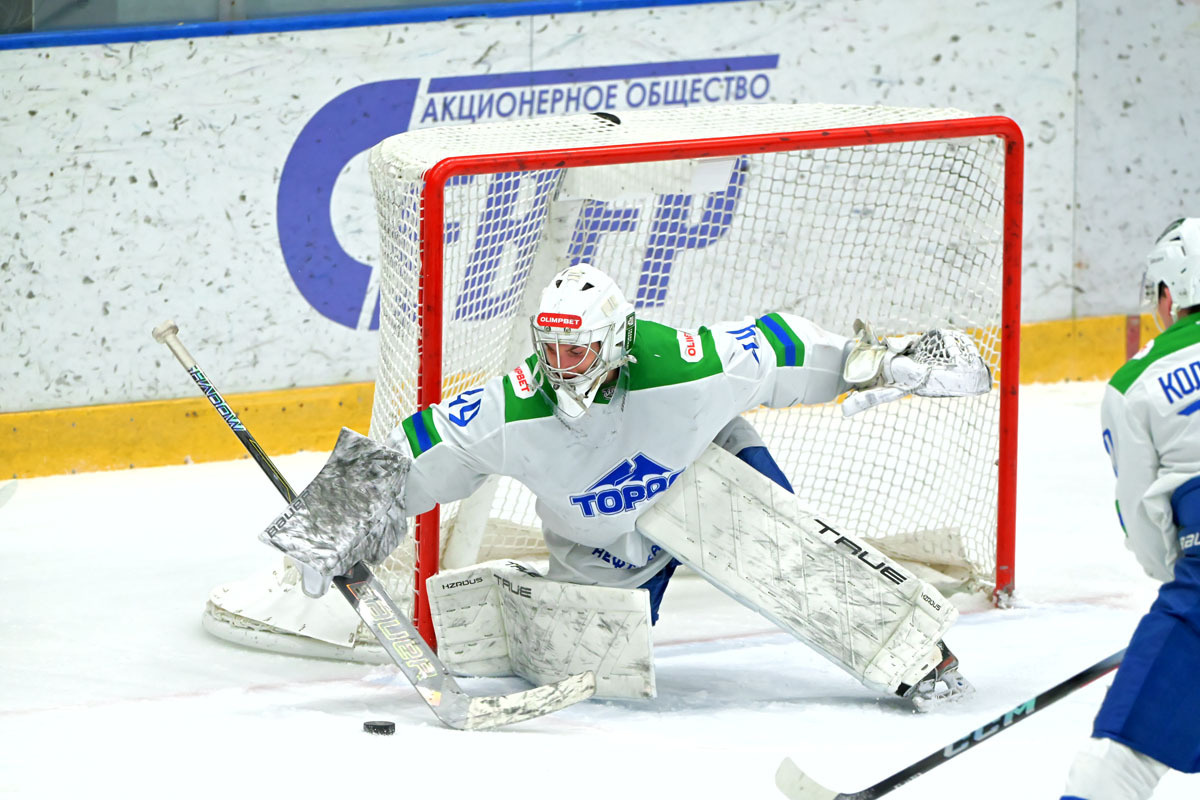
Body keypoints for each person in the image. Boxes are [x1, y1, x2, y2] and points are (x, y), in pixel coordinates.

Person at [263, 262, 988, 706]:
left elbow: (779, 347)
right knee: (588, 672)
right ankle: (533, 599)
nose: (560, 366)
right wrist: (332, 521)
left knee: (782, 558)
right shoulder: (510, 410)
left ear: (614, 341)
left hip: (705, 478)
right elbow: (417, 448)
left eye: (576, 350)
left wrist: (886, 361)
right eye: (550, 349)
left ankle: (914, 651)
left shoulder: (685, 365)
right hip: (603, 540)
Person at [1062, 218, 1200, 799]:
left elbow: (1146, 529)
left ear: (1169, 295)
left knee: (1117, 764)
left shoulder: (1137, 381)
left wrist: (1182, 600)